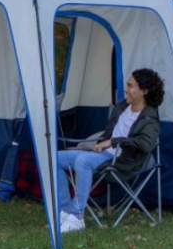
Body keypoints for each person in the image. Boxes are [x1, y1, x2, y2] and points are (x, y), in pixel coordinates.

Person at [57, 68, 164, 233]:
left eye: (131, 86)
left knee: (83, 161)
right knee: (53, 158)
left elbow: (145, 144)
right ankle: (65, 210)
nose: (126, 89)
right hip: (103, 155)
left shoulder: (149, 118)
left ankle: (77, 216)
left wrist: (113, 142)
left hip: (122, 161)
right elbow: (108, 133)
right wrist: (102, 142)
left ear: (144, 91)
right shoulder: (122, 108)